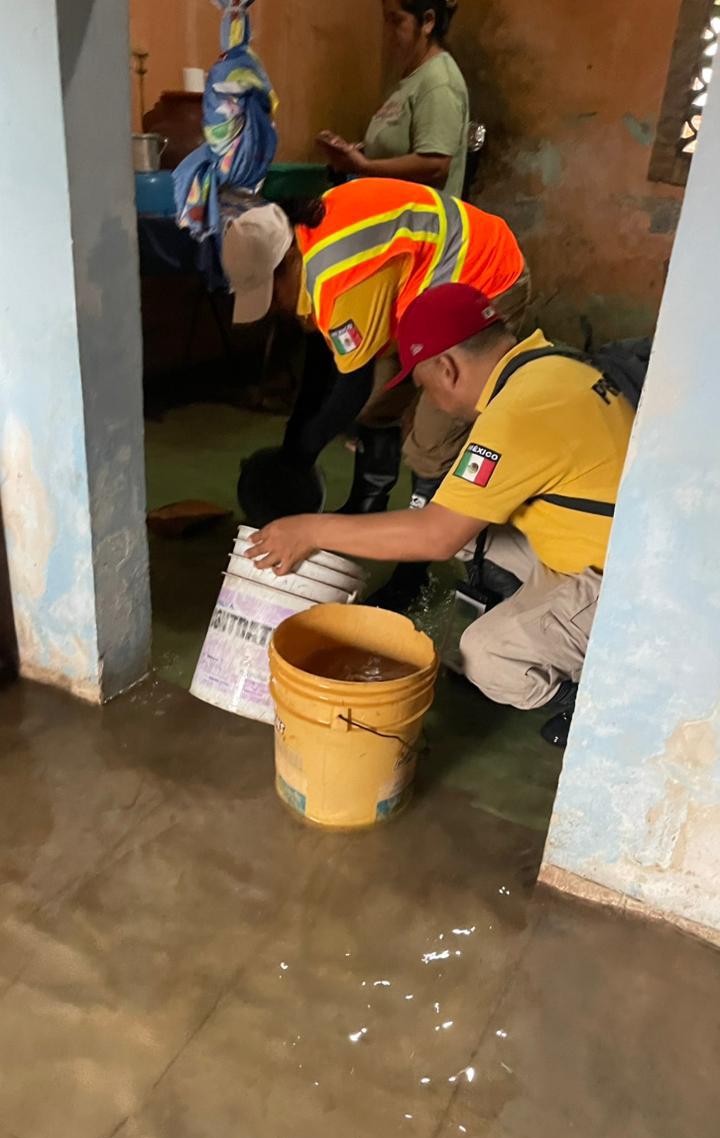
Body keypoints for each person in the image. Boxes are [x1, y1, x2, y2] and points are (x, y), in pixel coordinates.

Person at [244, 284, 636, 747]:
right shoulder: (553, 367)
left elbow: (435, 536)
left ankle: (595, 701)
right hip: (611, 539)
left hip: (621, 583)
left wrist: (309, 528)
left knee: (485, 656)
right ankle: (540, 616)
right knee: (464, 526)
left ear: (446, 369)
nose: (426, 401)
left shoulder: (519, 412)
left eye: (422, 387)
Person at [225, 178, 529, 529]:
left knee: (430, 440)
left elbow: (351, 387)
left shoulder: (337, 277)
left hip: (486, 278)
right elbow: (323, 360)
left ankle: (414, 570)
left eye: (273, 294)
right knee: (378, 402)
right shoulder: (307, 238)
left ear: (287, 259)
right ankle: (365, 508)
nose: (277, 306)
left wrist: (301, 454)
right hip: (424, 286)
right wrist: (297, 439)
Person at [317, 0, 469, 200]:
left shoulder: (438, 80)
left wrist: (365, 166)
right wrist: (357, 152)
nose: (388, 32)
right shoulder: (410, 77)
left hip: (421, 225)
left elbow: (435, 165)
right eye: (386, 21)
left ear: (428, 22)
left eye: (397, 21)